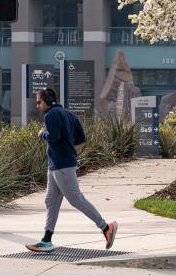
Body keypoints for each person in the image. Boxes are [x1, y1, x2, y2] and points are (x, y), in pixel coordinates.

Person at [26, 88, 117, 252]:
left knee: (76, 199)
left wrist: (42, 133)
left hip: (62, 165)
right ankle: (46, 240)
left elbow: (53, 137)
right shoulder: (67, 113)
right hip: (57, 164)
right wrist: (66, 144)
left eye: (39, 102)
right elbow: (81, 137)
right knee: (51, 201)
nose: (38, 105)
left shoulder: (51, 114)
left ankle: (106, 228)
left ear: (47, 101)